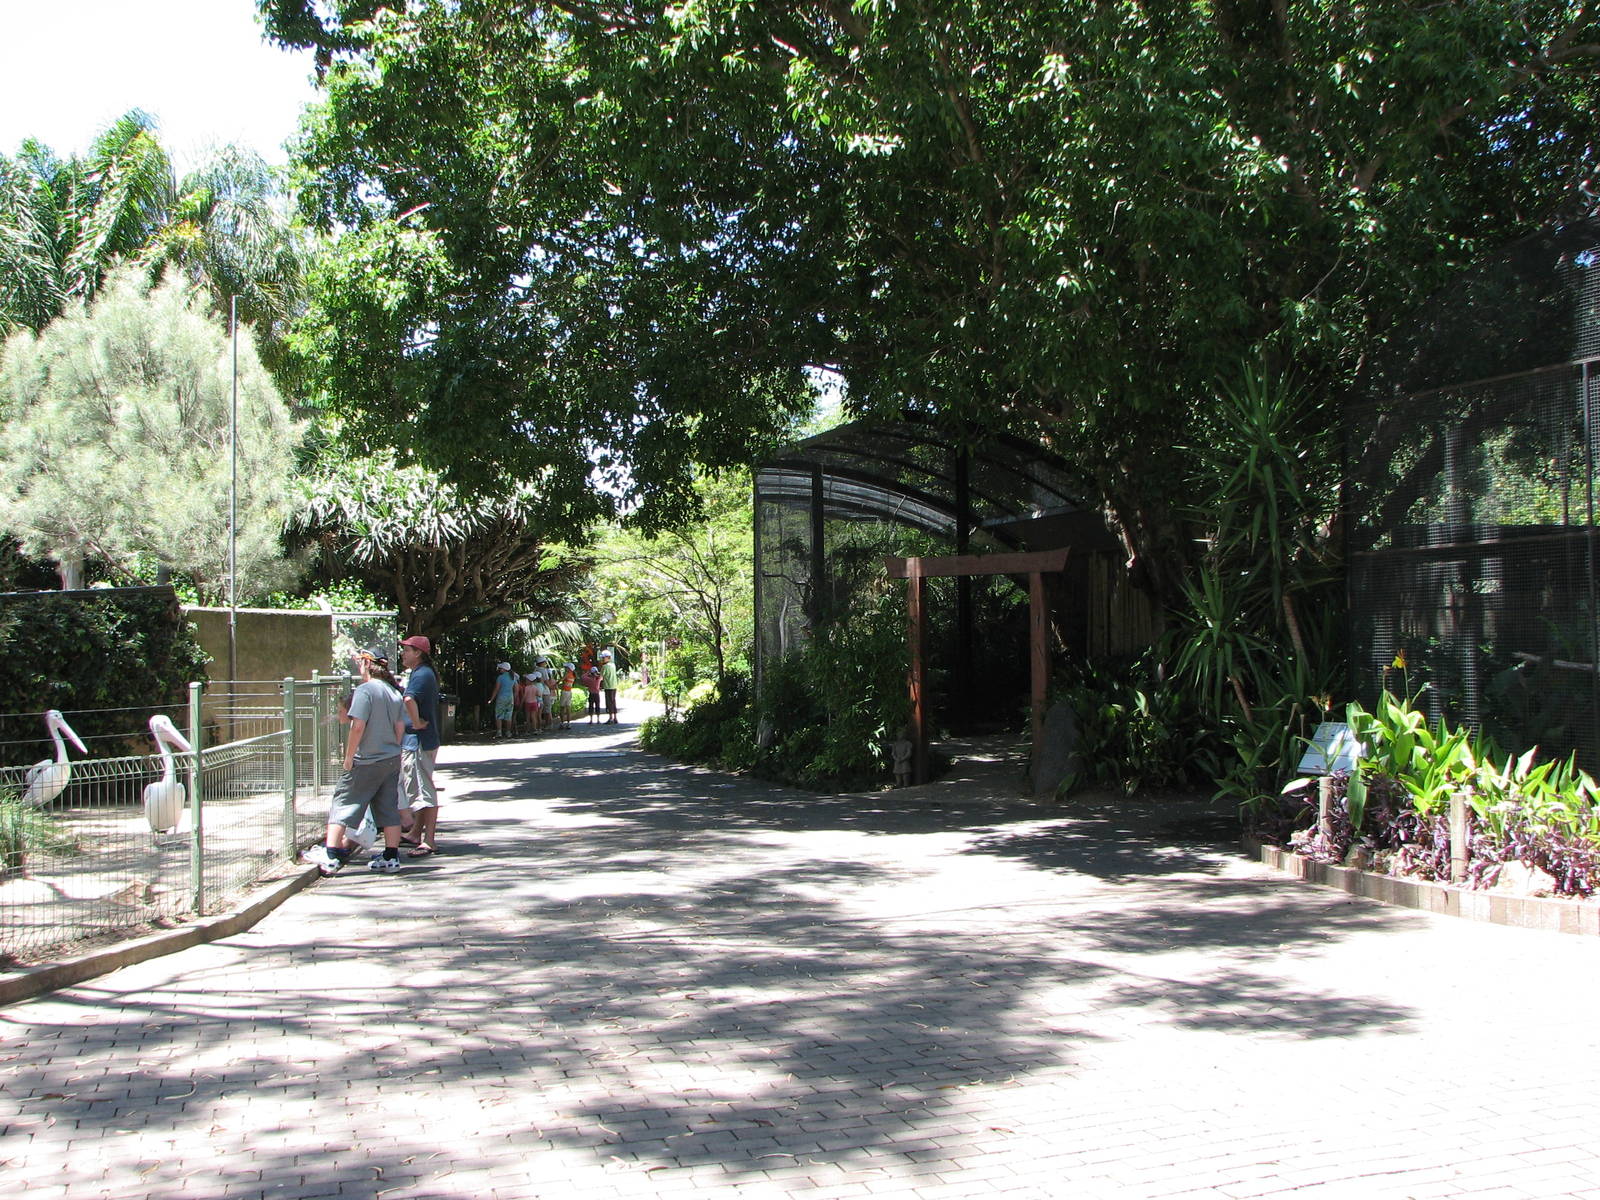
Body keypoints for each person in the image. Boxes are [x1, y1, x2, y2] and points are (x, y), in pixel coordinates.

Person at [303, 649, 407, 875]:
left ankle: (331, 854)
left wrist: (349, 757)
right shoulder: (394, 692)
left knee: (343, 800)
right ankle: (391, 856)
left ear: (366, 664)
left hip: (367, 758)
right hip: (390, 758)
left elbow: (357, 726)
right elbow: (400, 727)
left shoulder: (364, 690)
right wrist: (392, 750)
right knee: (388, 806)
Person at [398, 634, 441, 857]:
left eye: (407, 650)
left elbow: (408, 699)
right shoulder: (422, 673)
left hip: (418, 742)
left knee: (424, 791)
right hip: (423, 740)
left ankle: (429, 840)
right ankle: (416, 832)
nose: (403, 653)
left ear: (418, 653)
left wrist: (415, 723)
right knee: (423, 787)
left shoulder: (421, 674)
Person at [491, 660, 517, 738]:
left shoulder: (500, 677)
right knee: (508, 716)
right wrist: (514, 698)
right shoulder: (513, 677)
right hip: (510, 698)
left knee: (499, 715)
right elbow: (516, 689)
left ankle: (499, 732)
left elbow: (496, 689)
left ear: (504, 669)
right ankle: (508, 732)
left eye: (501, 668)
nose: (500, 669)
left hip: (501, 698)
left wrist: (491, 699)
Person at [600, 649, 620, 724]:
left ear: (608, 657)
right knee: (613, 701)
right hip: (614, 686)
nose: (602, 659)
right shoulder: (613, 665)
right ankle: (615, 718)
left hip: (608, 686)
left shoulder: (604, 667)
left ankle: (610, 718)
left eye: (603, 658)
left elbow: (601, 678)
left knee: (609, 702)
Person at [558, 661, 576, 729]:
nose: (565, 668)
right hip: (569, 692)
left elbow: (561, 680)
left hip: (564, 692)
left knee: (562, 708)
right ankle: (568, 723)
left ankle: (562, 723)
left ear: (569, 668)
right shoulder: (572, 675)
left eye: (566, 667)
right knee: (568, 708)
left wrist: (555, 683)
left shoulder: (567, 674)